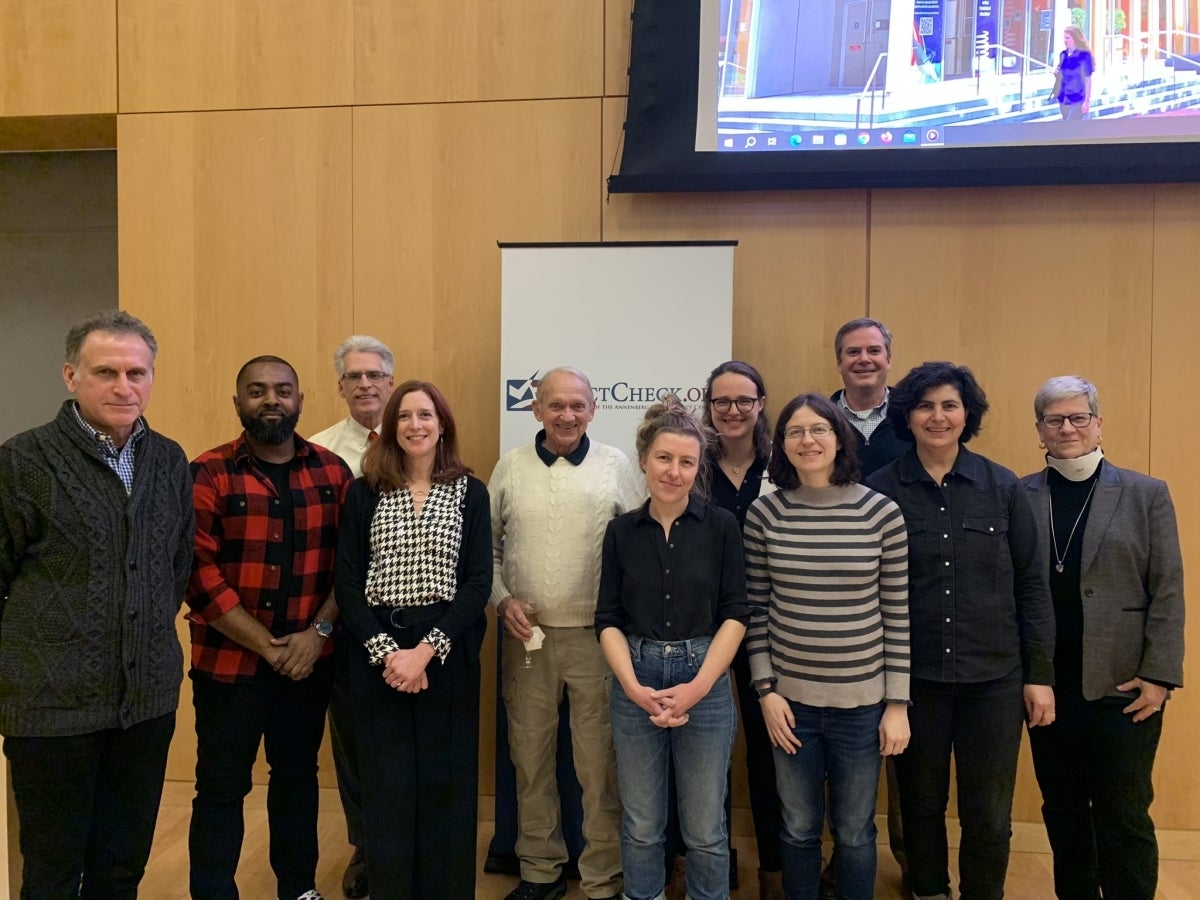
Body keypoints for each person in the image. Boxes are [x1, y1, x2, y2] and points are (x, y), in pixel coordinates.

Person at [0, 310, 194, 899]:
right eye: (105, 371)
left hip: (145, 705)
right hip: (51, 710)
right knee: (54, 872)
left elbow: (176, 565)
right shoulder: (24, 462)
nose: (123, 386)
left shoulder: (168, 460)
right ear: (70, 376)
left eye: (137, 372)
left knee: (121, 867)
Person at [866, 362, 1056, 900]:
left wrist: (1038, 675)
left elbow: (1032, 588)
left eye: (949, 405)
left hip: (993, 681)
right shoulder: (880, 494)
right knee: (920, 807)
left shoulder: (1004, 488)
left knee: (989, 812)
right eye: (925, 406)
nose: (938, 416)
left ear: (966, 414)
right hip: (914, 681)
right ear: (908, 415)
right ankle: (927, 891)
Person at [187, 355, 353, 900]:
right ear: (238, 404)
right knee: (220, 788)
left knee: (297, 781)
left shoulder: (334, 473)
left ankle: (298, 889)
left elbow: (351, 568)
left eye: (283, 390)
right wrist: (267, 646)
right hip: (228, 667)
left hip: (309, 664)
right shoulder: (208, 472)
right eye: (256, 392)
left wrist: (318, 635)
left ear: (301, 400)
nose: (271, 401)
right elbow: (197, 572)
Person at [1021, 376, 1184, 900]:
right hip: (1048, 687)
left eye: (1078, 418)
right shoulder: (1019, 495)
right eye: (1054, 419)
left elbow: (1168, 589)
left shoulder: (1145, 493)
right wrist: (1030, 674)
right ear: (1039, 429)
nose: (1067, 428)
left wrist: (1160, 676)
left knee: (1123, 813)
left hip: (1126, 687)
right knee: (1063, 812)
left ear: (1098, 423)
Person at [744, 392, 910, 900]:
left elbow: (897, 613)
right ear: (782, 445)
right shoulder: (765, 514)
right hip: (789, 705)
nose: (807, 440)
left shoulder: (881, 512)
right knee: (796, 827)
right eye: (795, 432)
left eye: (819, 429)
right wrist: (766, 690)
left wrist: (897, 704)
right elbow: (755, 610)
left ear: (840, 439)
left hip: (862, 707)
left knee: (856, 831)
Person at [334, 380, 492, 900]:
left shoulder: (470, 492)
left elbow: (477, 583)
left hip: (447, 652)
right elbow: (349, 584)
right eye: (405, 416)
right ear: (390, 427)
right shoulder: (364, 491)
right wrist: (389, 654)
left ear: (442, 424)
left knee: (447, 786)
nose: (415, 425)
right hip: (377, 654)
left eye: (426, 415)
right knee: (388, 786)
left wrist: (425, 650)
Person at [491, 367, 636, 900]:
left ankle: (603, 878)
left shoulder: (616, 466)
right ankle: (539, 872)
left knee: (599, 765)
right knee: (529, 759)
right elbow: (487, 550)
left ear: (593, 410)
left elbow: (637, 547)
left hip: (597, 641)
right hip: (527, 639)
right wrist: (503, 600)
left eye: (577, 405)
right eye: (556, 405)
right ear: (536, 410)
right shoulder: (509, 468)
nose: (567, 415)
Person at [596, 397, 750, 900]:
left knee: (706, 829)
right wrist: (634, 688)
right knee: (642, 823)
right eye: (664, 458)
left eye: (687, 462)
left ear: (698, 467)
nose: (674, 471)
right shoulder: (620, 532)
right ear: (643, 459)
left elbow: (735, 613)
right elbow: (608, 619)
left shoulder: (723, 526)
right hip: (635, 677)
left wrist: (697, 687)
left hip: (703, 678)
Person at [308, 334, 396, 900]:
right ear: (340, 386)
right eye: (354, 376)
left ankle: (405, 842)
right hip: (347, 621)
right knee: (355, 742)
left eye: (375, 375)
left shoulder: (421, 436)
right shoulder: (318, 450)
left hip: (417, 623)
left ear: (391, 380)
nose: (365, 385)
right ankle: (367, 846)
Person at [828, 317, 914, 895]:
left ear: (889, 357)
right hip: (833, 611)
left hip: (908, 597)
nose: (864, 359)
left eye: (874, 350)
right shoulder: (819, 423)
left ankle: (911, 864)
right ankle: (839, 864)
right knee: (837, 767)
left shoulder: (914, 419)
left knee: (904, 758)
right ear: (838, 362)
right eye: (853, 352)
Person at [701, 360, 780, 899]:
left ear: (760, 405)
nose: (732, 411)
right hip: (702, 624)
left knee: (769, 747)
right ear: (708, 406)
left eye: (743, 401)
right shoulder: (692, 463)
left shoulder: (785, 464)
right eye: (721, 402)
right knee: (708, 749)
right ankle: (713, 861)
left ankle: (774, 866)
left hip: (772, 626)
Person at [1054, 26, 1094, 120]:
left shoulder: (1084, 56)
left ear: (1075, 39)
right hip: (1064, 98)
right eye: (1064, 38)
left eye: (1067, 38)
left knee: (1070, 124)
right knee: (1068, 127)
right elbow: (1061, 74)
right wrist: (1056, 73)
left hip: (1078, 99)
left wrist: (1087, 101)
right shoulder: (1063, 54)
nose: (1065, 40)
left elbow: (1088, 79)